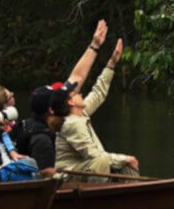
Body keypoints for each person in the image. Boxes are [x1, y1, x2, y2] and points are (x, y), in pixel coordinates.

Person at [13, 20, 110, 170]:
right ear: (52, 109)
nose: (66, 95)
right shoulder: (41, 137)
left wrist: (94, 45)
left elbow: (76, 77)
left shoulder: (59, 109)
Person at [49, 38, 140, 182]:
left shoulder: (79, 114)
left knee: (124, 165)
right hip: (67, 181)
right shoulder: (72, 124)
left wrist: (111, 64)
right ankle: (105, 197)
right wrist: (125, 159)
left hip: (83, 171)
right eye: (75, 93)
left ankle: (133, 197)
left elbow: (98, 93)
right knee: (103, 160)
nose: (79, 93)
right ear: (71, 102)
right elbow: (93, 155)